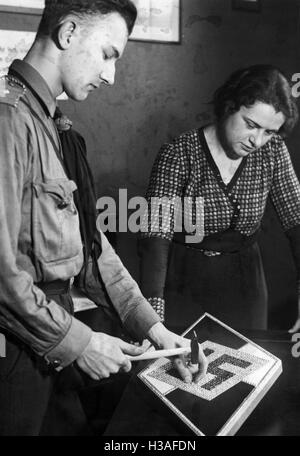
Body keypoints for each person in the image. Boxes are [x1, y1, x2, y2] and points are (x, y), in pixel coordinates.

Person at [0, 0, 207, 436]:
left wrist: (153, 329)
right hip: (17, 349)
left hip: (49, 338)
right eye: (109, 54)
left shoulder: (54, 127)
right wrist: (81, 344)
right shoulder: (7, 122)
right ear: (69, 32)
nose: (111, 76)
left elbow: (92, 252)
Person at [138, 64, 300, 332]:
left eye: (269, 132)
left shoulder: (273, 152)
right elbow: (155, 238)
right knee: (183, 368)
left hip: (247, 285)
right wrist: (152, 321)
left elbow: (297, 223)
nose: (257, 140)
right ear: (229, 106)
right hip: (183, 284)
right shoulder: (179, 154)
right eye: (251, 125)